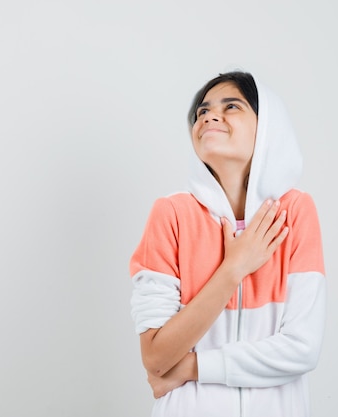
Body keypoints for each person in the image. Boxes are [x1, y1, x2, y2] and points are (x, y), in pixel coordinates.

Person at [129, 70, 326, 417]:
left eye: (231, 106)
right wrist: (233, 268)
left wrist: (193, 367)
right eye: (202, 111)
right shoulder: (171, 214)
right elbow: (156, 357)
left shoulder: (294, 213)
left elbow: (302, 348)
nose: (209, 116)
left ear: (267, 127)